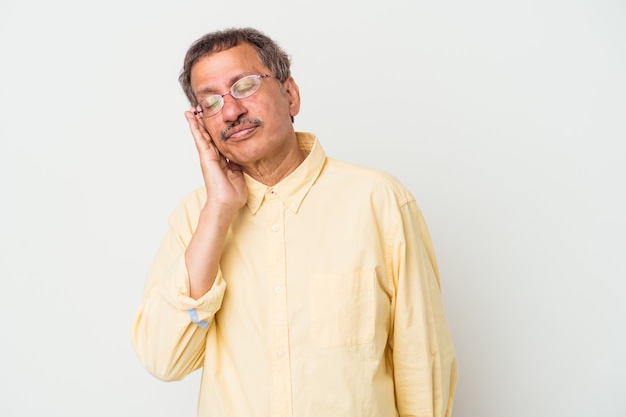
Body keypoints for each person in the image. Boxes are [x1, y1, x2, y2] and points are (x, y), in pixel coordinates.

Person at [131, 27, 458, 417]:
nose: (231, 111)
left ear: (290, 95)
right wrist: (218, 211)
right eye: (212, 103)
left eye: (244, 86)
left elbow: (424, 362)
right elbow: (163, 359)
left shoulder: (379, 201)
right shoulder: (195, 217)